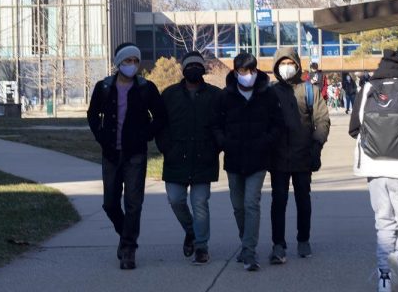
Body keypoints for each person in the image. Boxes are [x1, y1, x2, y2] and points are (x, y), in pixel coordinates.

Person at [349, 49, 398, 292]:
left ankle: (384, 282)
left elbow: (354, 129)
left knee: (383, 224)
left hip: (374, 168)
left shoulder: (366, 90)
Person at [88, 43, 167, 270]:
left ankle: (128, 249)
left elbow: (160, 117)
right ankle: (125, 236)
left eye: (135, 61)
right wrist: (101, 136)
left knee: (133, 203)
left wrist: (144, 135)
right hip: (111, 153)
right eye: (127, 61)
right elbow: (93, 115)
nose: (131, 65)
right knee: (110, 203)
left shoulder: (145, 88)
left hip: (135, 154)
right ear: (118, 63)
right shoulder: (103, 87)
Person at [212, 52, 282, 272]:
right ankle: (245, 241)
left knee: (252, 203)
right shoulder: (225, 96)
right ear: (236, 72)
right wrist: (224, 142)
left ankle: (250, 252)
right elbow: (215, 125)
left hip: (258, 158)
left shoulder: (268, 95)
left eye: (252, 70)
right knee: (238, 206)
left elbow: (277, 125)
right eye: (243, 71)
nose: (248, 75)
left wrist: (266, 141)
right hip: (233, 158)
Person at [156, 51, 222, 265]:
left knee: (200, 202)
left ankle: (201, 247)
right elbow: (160, 125)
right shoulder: (170, 94)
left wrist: (215, 147)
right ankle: (191, 231)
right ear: (183, 70)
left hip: (204, 158)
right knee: (175, 200)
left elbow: (222, 125)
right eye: (189, 66)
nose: (193, 69)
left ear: (203, 69)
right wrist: (167, 148)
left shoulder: (215, 95)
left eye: (197, 65)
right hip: (176, 158)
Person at [268, 47, 330, 265]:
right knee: (279, 202)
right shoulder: (270, 92)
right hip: (277, 158)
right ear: (276, 67)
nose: (286, 67)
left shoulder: (309, 91)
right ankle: (278, 244)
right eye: (282, 63)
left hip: (304, 155)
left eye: (290, 63)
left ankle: (303, 239)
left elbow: (322, 120)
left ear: (296, 65)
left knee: (303, 200)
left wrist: (317, 144)